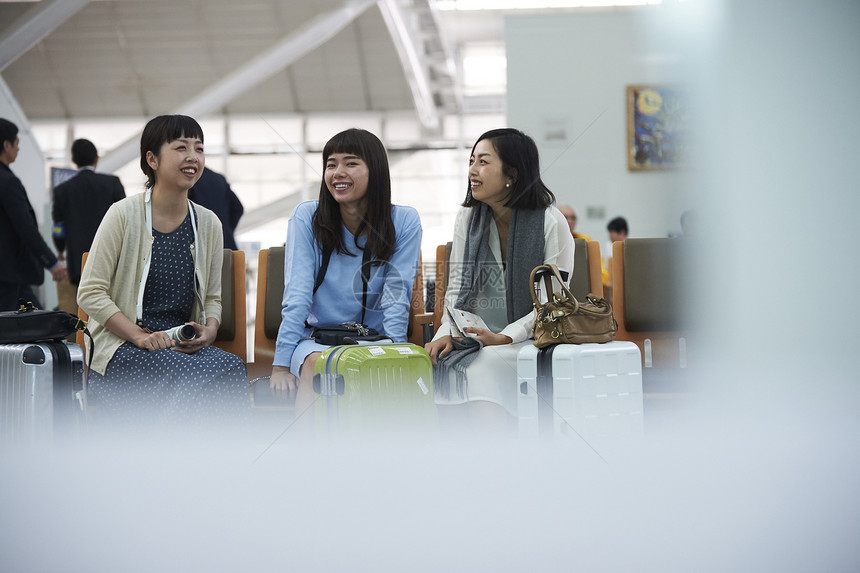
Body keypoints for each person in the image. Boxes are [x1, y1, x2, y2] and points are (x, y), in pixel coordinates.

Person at [77, 115, 249, 431]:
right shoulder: (123, 214)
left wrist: (210, 330)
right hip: (124, 347)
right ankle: (172, 469)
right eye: (181, 147)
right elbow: (90, 292)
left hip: (179, 343)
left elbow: (212, 297)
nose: (193, 157)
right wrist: (140, 337)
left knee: (232, 369)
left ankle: (229, 469)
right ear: (152, 159)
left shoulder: (208, 223)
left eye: (199, 148)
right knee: (193, 378)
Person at [425, 128, 574, 435]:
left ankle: (495, 464)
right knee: (438, 362)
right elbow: (455, 290)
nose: (472, 170)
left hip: (530, 340)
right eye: (471, 161)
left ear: (512, 173)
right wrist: (445, 332)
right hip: (476, 337)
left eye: (483, 162)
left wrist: (504, 337)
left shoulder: (550, 222)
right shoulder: (467, 219)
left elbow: (553, 305)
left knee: (484, 365)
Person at [269, 128, 422, 417]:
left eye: (351, 163)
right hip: (317, 340)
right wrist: (279, 365)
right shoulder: (307, 217)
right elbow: (297, 295)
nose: (338, 172)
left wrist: (397, 353)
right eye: (331, 164)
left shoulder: (404, 221)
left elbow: (396, 296)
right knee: (318, 363)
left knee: (379, 374)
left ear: (374, 171)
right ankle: (313, 460)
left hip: (375, 340)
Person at [51, 138, 126, 315]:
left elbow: (58, 228)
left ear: (74, 161)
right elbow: (126, 219)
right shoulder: (113, 183)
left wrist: (60, 249)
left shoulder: (62, 190)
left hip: (79, 261)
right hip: (112, 258)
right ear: (96, 158)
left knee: (82, 308)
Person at [0, 118, 67, 311]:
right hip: (8, 275)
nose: (18, 149)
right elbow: (26, 228)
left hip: (13, 279)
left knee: (37, 319)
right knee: (19, 329)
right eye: (17, 143)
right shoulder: (8, 182)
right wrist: (52, 262)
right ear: (6, 145)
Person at [188, 166, 244, 250]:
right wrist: (225, 228)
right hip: (227, 245)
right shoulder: (218, 178)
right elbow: (238, 208)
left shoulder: (189, 180)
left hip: (202, 248)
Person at [559, 204, 609, 286]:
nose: (570, 221)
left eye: (573, 218)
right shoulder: (549, 240)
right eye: (565, 217)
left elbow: (601, 273)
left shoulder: (586, 241)